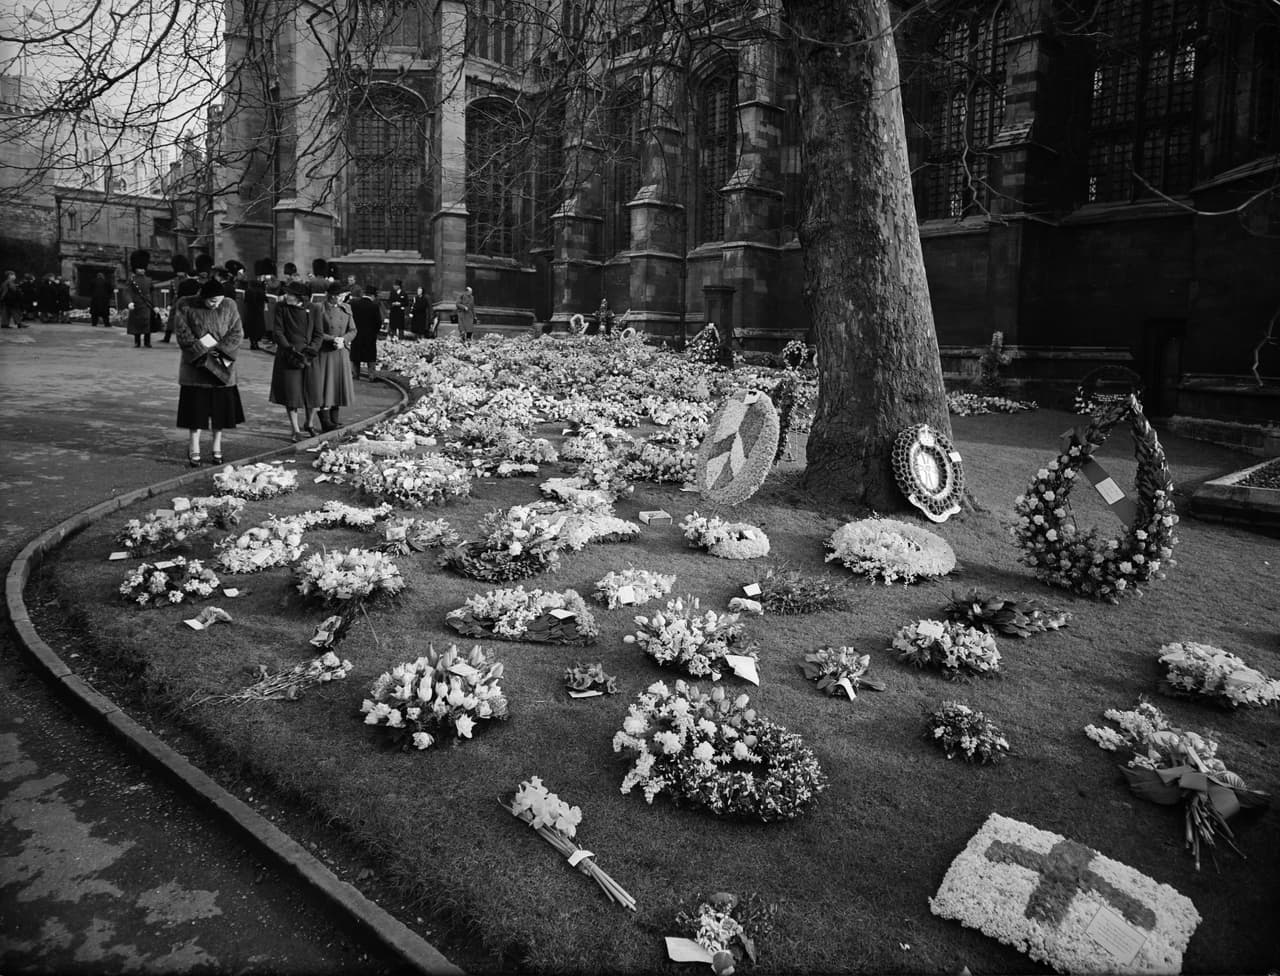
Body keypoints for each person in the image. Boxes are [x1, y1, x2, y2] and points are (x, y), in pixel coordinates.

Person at [174, 278, 246, 466]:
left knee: (220, 413)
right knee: (195, 413)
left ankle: (217, 447)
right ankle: (194, 447)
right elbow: (183, 334)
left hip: (222, 367)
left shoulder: (229, 306)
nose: (217, 304)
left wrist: (217, 354)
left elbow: (237, 333)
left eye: (220, 300)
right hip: (195, 369)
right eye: (213, 301)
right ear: (203, 297)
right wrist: (201, 353)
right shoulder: (185, 305)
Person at [269, 279, 321, 441]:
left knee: (313, 393)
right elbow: (278, 332)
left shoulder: (314, 309)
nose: (287, 296)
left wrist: (311, 350)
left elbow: (318, 333)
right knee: (291, 394)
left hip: (309, 356)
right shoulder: (281, 308)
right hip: (288, 355)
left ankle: (310, 423)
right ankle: (295, 430)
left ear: (299, 297)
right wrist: (289, 350)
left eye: (290, 294)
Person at [306, 282, 356, 432]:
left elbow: (353, 330)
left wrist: (344, 339)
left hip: (341, 352)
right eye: (340, 296)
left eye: (343, 296)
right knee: (326, 387)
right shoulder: (318, 308)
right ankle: (326, 422)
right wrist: (332, 339)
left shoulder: (346, 308)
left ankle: (334, 419)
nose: (342, 299)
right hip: (325, 352)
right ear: (332, 296)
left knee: (338, 385)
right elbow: (316, 332)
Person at [124, 250, 156, 348]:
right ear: (135, 269)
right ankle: (137, 342)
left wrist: (156, 305)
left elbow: (153, 293)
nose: (142, 270)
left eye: (143, 268)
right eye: (139, 268)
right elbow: (127, 292)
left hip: (147, 304)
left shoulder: (149, 280)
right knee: (136, 324)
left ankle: (147, 342)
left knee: (147, 324)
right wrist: (129, 302)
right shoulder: (132, 280)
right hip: (136, 303)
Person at [244, 258, 273, 351]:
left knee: (252, 328)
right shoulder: (260, 289)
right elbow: (265, 299)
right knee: (257, 328)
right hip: (258, 311)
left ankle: (253, 343)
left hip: (250, 312)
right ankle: (255, 343)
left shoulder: (250, 289)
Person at [163, 254, 192, 342]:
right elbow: (171, 293)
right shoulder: (173, 281)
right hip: (175, 302)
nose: (179, 273)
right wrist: (170, 303)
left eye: (181, 271)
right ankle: (166, 337)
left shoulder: (189, 280)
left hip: (185, 302)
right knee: (171, 320)